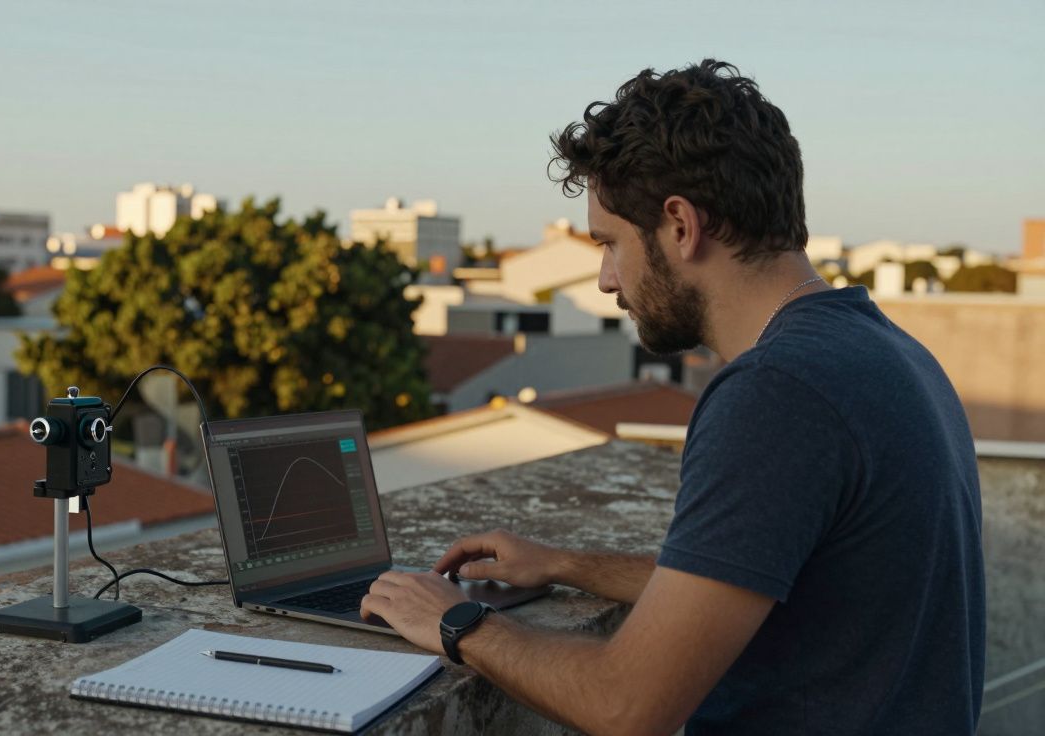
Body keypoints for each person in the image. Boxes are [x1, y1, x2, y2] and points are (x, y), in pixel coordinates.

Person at [359, 59, 985, 735]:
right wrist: (567, 566)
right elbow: (757, 575)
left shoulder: (777, 393)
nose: (605, 279)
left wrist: (454, 621)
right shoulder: (885, 351)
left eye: (610, 244)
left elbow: (627, 707)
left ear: (681, 226)